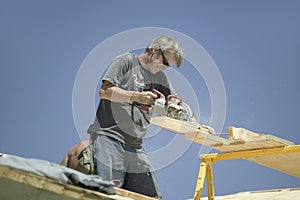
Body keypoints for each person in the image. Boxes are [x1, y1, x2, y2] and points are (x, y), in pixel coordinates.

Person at [87, 35, 184, 199]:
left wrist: (194, 123)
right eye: (165, 62)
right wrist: (137, 97)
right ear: (154, 51)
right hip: (109, 137)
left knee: (152, 196)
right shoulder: (126, 61)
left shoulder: (160, 78)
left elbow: (176, 106)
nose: (165, 68)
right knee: (108, 194)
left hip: (135, 146)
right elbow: (105, 92)